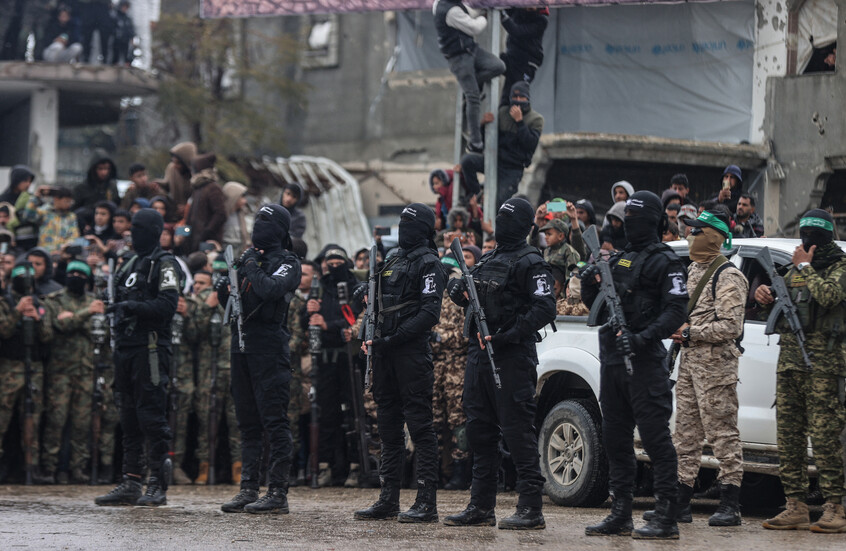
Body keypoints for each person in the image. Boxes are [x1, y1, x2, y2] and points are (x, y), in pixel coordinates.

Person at [443, 197, 556, 530]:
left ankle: (531, 508)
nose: (502, 224)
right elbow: (470, 292)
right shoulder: (489, 257)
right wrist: (456, 289)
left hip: (511, 356)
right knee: (479, 431)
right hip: (479, 354)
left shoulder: (531, 261)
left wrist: (506, 335)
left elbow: (544, 308)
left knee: (518, 432)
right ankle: (481, 506)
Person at [582, 191, 688, 540]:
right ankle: (620, 512)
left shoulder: (666, 262)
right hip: (612, 361)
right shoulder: (621, 258)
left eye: (635, 217)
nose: (628, 222)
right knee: (614, 439)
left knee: (656, 440)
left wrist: (642, 338)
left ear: (652, 221)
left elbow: (676, 311)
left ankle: (667, 514)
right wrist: (589, 279)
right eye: (626, 216)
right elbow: (594, 304)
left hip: (644, 362)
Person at [649, 210, 747, 526]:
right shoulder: (692, 270)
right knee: (685, 434)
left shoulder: (728, 275)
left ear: (714, 236)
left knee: (722, 433)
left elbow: (732, 326)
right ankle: (680, 502)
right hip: (690, 364)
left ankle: (730, 502)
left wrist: (692, 332)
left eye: (697, 231)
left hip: (716, 367)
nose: (691, 236)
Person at [354, 203, 447, 523]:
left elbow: (429, 314)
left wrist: (395, 338)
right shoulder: (392, 258)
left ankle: (426, 501)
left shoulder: (430, 263)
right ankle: (388, 498)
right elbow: (376, 302)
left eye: (409, 223)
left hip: (410, 354)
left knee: (420, 427)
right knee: (388, 428)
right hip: (383, 353)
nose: (404, 229)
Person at [757, 209, 846, 532]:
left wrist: (805, 266)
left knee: (825, 440)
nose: (807, 242)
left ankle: (836, 507)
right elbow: (785, 300)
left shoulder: (839, 268)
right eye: (804, 235)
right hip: (790, 365)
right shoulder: (794, 269)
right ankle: (794, 505)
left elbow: (830, 295)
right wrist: (764, 295)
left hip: (824, 367)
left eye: (814, 237)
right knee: (789, 439)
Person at [217, 204, 301, 514]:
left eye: (265, 222)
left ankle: (277, 492)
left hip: (269, 348)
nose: (257, 228)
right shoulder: (248, 260)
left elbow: (270, 289)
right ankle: (248, 488)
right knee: (248, 422)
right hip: (240, 345)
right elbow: (234, 304)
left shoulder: (288, 262)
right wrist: (224, 288)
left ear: (279, 229)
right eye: (257, 221)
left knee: (274, 421)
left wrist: (250, 265)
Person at [94, 208, 180, 507]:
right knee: (127, 416)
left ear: (154, 230)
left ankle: (157, 482)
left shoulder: (165, 263)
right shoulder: (128, 262)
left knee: (151, 416)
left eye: (140, 227)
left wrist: (132, 307)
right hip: (125, 347)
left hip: (151, 348)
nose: (134, 232)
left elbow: (168, 305)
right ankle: (131, 480)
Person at [40, 260, 106, 484]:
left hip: (86, 371)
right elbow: (58, 326)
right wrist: (86, 314)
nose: (76, 276)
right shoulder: (55, 300)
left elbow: (100, 331)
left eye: (81, 273)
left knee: (82, 423)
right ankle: (50, 468)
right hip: (60, 371)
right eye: (72, 273)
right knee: (56, 422)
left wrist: (73, 317)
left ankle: (78, 469)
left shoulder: (95, 301)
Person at [306, 247, 364, 486]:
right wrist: (308, 312)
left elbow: (355, 318)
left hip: (348, 358)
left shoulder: (354, 285)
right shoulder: (320, 286)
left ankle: (355, 465)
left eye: (339, 260)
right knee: (326, 415)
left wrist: (329, 324)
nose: (334, 265)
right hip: (325, 359)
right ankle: (326, 466)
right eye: (330, 261)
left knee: (353, 414)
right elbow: (308, 323)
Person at [0, 262, 54, 484]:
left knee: (33, 417)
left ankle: (32, 468)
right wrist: (17, 311)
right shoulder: (4, 303)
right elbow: (3, 330)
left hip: (34, 368)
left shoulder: (41, 304)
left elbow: (48, 336)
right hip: (10, 368)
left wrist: (38, 318)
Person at [433, 0, 506, 153]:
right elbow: (474, 27)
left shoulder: (448, 4)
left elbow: (468, 13)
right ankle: (475, 142)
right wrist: (485, 16)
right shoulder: (450, 10)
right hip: (458, 57)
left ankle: (471, 85)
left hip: (471, 49)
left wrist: (481, 9)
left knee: (498, 67)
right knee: (473, 98)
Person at [191, 270, 242, 485]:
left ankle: (238, 467)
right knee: (206, 422)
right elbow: (192, 334)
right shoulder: (202, 300)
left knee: (237, 422)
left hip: (234, 369)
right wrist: (207, 308)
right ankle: (205, 466)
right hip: (208, 371)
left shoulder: (241, 298)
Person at [459, 81, 544, 209]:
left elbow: (530, 144)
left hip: (512, 168)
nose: (518, 101)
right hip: (495, 160)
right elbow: (486, 139)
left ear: (527, 99)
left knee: (500, 201)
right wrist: (483, 125)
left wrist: (519, 122)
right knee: (467, 161)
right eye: (515, 97)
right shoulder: (503, 113)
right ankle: (477, 194)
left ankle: (496, 225)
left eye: (521, 98)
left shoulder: (536, 119)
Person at [498, 8, 549, 107]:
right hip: (512, 58)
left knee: (517, 97)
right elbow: (505, 7)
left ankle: (518, 121)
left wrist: (502, 15)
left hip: (526, 64)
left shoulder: (541, 20)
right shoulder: (519, 9)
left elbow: (517, 31)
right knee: (488, 64)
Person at [20, 186, 79, 256]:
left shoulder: (71, 216)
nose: (68, 204)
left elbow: (74, 235)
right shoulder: (45, 211)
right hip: (44, 254)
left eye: (70, 202)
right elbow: (28, 216)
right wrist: (36, 197)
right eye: (66, 201)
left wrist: (65, 247)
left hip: (62, 255)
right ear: (56, 199)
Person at [185, 153, 227, 252]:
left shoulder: (213, 188)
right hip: (195, 239)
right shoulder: (198, 188)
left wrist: (207, 231)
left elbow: (220, 214)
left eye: (193, 168)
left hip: (208, 242)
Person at [539, 218, 580, 285]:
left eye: (549, 234)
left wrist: (564, 293)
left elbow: (571, 277)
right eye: (545, 234)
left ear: (560, 236)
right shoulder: (546, 250)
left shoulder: (568, 251)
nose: (545, 237)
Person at [164, 142, 198, 217]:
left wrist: (188, 207)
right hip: (175, 214)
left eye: (178, 163)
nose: (175, 166)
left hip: (193, 215)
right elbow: (166, 185)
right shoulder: (172, 169)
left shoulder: (197, 175)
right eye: (173, 162)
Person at [222, 182, 250, 253]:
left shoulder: (241, 214)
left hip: (238, 251)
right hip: (223, 250)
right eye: (242, 197)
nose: (245, 200)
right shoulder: (222, 214)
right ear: (234, 196)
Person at [111, 1, 135, 65]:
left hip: (126, 41)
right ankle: (115, 64)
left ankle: (127, 64)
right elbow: (111, 30)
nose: (124, 9)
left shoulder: (128, 19)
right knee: (115, 54)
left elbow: (131, 31)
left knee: (127, 54)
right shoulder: (115, 17)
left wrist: (131, 38)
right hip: (116, 40)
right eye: (123, 7)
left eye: (126, 7)